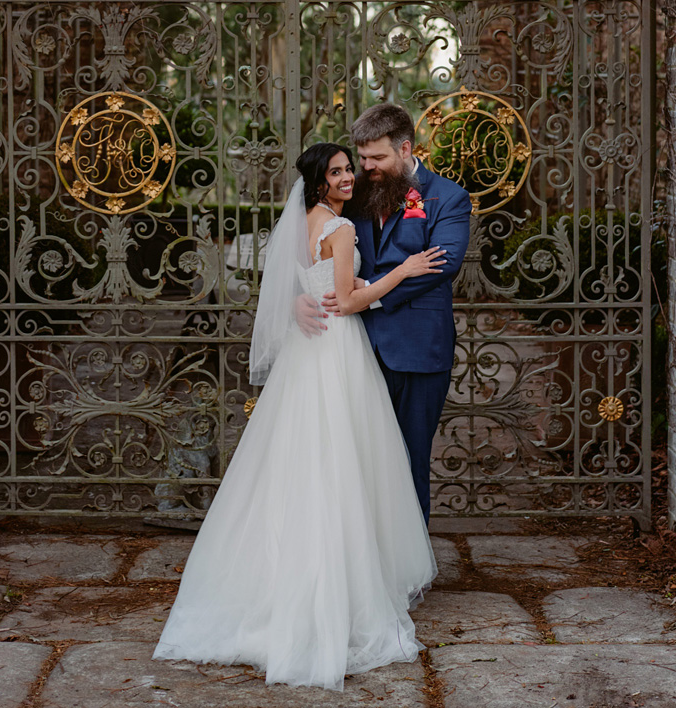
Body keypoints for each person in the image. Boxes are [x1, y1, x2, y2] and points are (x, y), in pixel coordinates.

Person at [153, 142, 446, 690]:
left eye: (348, 170)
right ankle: (338, 589)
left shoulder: (301, 225)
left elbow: (299, 284)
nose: (346, 178)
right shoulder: (341, 230)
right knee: (340, 460)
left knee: (293, 459)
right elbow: (348, 301)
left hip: (304, 354)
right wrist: (402, 271)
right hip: (335, 348)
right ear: (318, 183)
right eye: (336, 173)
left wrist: (319, 295)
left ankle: (276, 580)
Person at [311, 104, 472, 524]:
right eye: (362, 158)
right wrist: (300, 294)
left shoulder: (448, 196)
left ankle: (409, 569)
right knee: (358, 459)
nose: (366, 168)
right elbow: (314, 245)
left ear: (404, 149)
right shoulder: (354, 191)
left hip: (419, 349)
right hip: (355, 346)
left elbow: (444, 262)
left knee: (408, 458)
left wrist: (373, 292)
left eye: (377, 158)